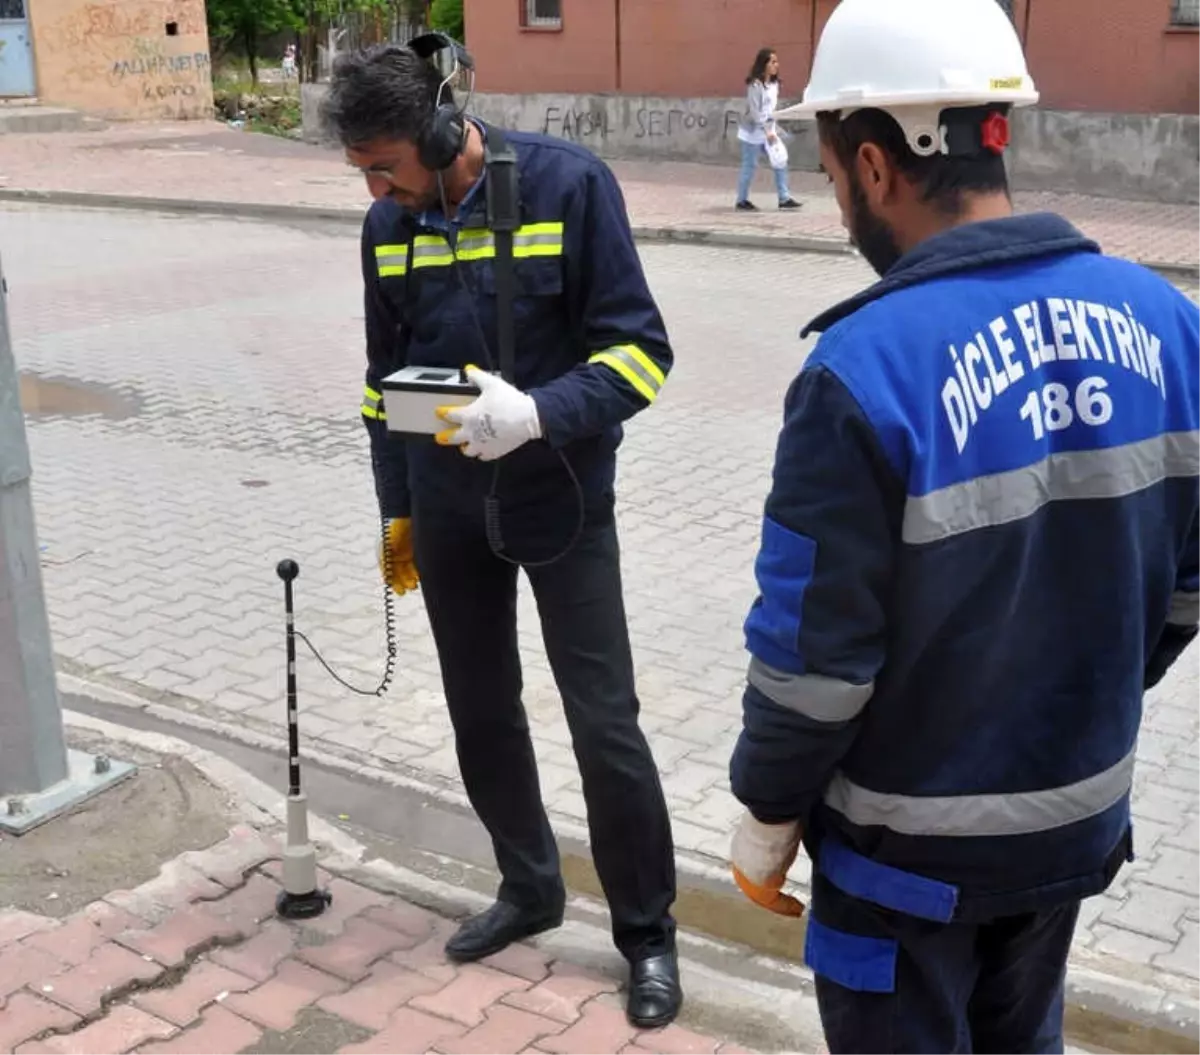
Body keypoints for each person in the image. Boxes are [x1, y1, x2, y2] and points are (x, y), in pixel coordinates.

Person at [725, 0, 1200, 1052]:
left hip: (906, 863)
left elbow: (815, 666)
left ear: (877, 167)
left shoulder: (862, 368)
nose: (841, 197)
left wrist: (765, 816)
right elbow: (1188, 584)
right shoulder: (1169, 321)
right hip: (1075, 822)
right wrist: (1080, 680)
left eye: (836, 169)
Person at [322, 35, 683, 1029]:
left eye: (384, 167)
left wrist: (539, 413)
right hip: (446, 512)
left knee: (603, 723)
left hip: (558, 499)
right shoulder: (386, 230)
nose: (373, 193)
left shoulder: (571, 188)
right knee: (481, 710)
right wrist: (396, 511)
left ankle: (647, 934)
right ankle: (530, 887)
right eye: (360, 174)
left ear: (441, 132)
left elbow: (643, 354)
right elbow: (378, 384)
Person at [735, 47, 801, 212]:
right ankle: (741, 201)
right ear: (763, 64)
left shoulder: (775, 84)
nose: (776, 65)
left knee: (780, 161)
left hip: (769, 131)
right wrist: (767, 131)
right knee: (749, 166)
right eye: (772, 62)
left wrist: (774, 129)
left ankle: (784, 198)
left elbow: (771, 109)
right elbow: (756, 111)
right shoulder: (755, 85)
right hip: (753, 132)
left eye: (776, 62)